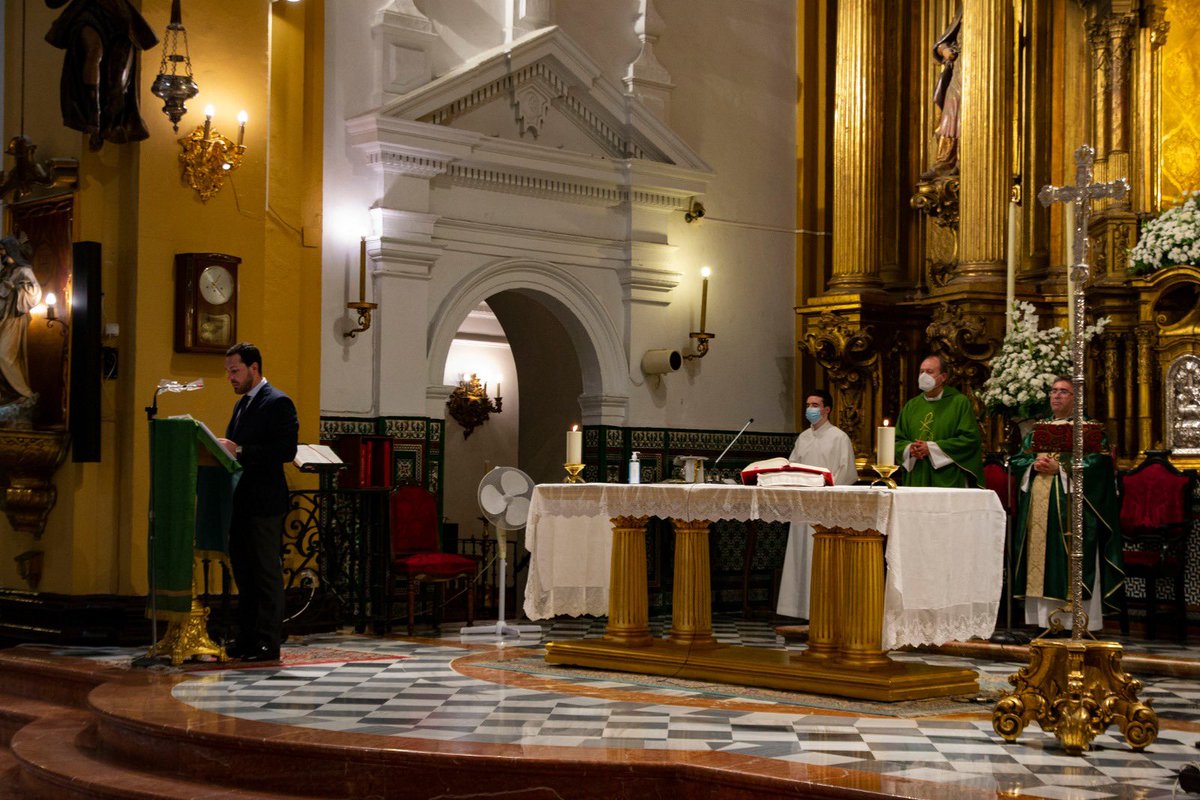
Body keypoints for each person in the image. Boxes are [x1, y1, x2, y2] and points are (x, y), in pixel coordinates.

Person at [1010, 377, 1123, 632]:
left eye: (1064, 392)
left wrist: (1061, 468)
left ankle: (1077, 623)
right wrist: (1032, 466)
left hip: (1072, 506)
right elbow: (1018, 460)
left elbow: (1100, 465)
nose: (1057, 396)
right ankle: (1044, 622)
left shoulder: (1089, 430)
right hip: (1039, 503)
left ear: (1077, 399)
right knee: (1041, 558)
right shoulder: (1038, 430)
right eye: (1053, 391)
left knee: (1070, 557)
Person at [216, 343, 298, 662]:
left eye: (235, 371)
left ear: (254, 368)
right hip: (241, 502)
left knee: (265, 574)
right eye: (228, 372)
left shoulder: (278, 402)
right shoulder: (243, 405)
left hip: (264, 502)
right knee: (245, 574)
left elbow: (285, 451)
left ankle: (267, 642)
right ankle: (247, 639)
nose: (230, 378)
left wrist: (239, 451)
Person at [776, 389, 859, 620]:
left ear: (827, 409)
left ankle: (825, 608)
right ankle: (799, 609)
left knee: (821, 556)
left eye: (815, 405)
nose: (810, 409)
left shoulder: (839, 437)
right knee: (800, 555)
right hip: (802, 505)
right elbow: (791, 466)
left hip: (826, 506)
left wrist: (826, 492)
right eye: (808, 404)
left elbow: (847, 472)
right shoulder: (803, 437)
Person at [44, 0, 159, 151]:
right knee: (94, 51)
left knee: (119, 80)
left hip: (118, 15)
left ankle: (110, 121)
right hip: (88, 12)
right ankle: (93, 115)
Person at [895, 354, 983, 487]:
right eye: (921, 372)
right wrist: (910, 449)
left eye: (929, 372)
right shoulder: (911, 406)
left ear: (944, 377)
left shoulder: (959, 402)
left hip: (948, 476)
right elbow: (898, 441)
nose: (924, 376)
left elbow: (969, 439)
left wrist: (931, 448)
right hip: (917, 476)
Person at [0, 236, 43, 426]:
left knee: (4, 356)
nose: (1, 254)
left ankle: (25, 394)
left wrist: (16, 289)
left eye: (3, 250)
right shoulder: (5, 271)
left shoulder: (24, 270)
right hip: (2, 317)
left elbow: (36, 294)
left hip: (14, 318)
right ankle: (8, 397)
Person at [920, 11, 962, 180]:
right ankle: (944, 162)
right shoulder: (963, 11)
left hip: (981, 70)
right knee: (949, 115)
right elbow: (942, 44)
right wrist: (945, 51)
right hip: (959, 69)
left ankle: (962, 160)